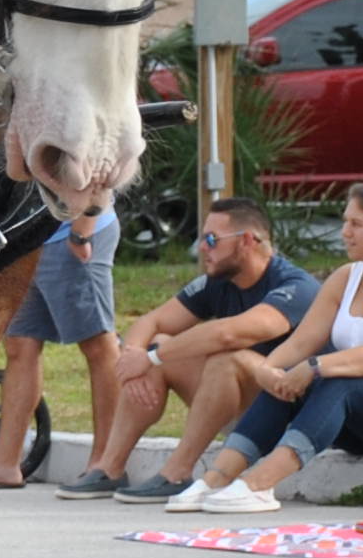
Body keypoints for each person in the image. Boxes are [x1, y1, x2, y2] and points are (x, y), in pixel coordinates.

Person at [164, 181, 363, 514]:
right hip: (358, 418)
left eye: (356, 224)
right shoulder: (346, 277)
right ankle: (215, 480)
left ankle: (259, 485)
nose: (345, 232)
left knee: (337, 379)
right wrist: (270, 370)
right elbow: (302, 342)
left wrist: (315, 367)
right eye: (345, 221)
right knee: (290, 381)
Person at [93, 198, 318, 501]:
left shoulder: (296, 286)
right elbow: (152, 320)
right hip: (240, 404)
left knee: (224, 358)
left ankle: (177, 473)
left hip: (288, 410)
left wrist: (151, 357)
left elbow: (229, 334)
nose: (202, 247)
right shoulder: (218, 282)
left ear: (247, 240)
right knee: (156, 343)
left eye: (211, 239)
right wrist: (134, 358)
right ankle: (109, 469)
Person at [0, 196, 118, 491]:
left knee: (97, 345)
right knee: (20, 345)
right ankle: (5, 464)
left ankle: (106, 465)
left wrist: (82, 230)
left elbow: (100, 175)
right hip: (27, 239)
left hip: (72, 233)